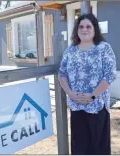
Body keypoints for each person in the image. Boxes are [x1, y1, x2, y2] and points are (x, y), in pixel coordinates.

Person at [58, 13, 116, 155]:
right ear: (77, 30)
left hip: (97, 107)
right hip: (77, 107)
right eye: (81, 26)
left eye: (88, 26)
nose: (84, 29)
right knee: (79, 148)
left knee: (99, 148)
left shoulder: (104, 48)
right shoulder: (70, 51)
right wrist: (70, 93)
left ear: (95, 28)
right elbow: (62, 74)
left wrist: (92, 96)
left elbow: (110, 75)